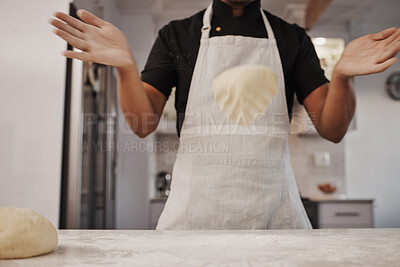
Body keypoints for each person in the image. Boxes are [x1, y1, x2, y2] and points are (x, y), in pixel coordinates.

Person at [51, 0, 400, 230]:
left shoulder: (291, 38)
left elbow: (332, 127)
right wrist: (126, 68)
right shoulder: (177, 35)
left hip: (274, 216)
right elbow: (143, 123)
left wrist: (343, 76)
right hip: (193, 216)